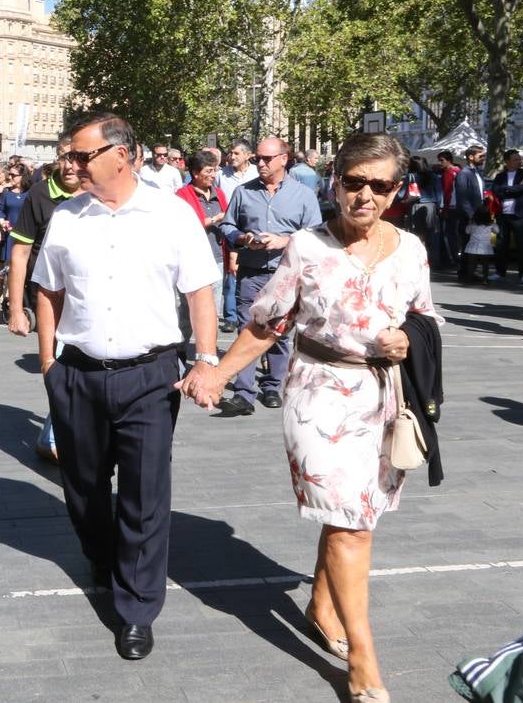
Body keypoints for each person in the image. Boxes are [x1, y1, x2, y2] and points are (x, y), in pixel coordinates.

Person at [180, 132, 441, 703]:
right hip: (318, 395)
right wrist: (217, 374)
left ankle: (323, 606)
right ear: (335, 183)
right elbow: (264, 324)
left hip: (383, 397)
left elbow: (425, 318)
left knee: (355, 515)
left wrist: (407, 339)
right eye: (354, 182)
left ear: (397, 190)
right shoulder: (307, 247)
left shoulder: (414, 250)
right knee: (350, 524)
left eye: (380, 185)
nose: (366, 195)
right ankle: (364, 657)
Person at [32, 111, 221, 661]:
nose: (72, 165)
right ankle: (101, 553)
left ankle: (137, 607)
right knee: (84, 489)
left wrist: (206, 360)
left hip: (151, 376)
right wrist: (49, 363)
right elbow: (48, 290)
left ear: (121, 154)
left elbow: (201, 292)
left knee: (144, 495)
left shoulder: (172, 214)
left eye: (82, 155)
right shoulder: (67, 218)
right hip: (79, 375)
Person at [219, 137, 322, 415]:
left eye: (266, 159)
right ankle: (243, 392)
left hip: (286, 273)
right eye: (257, 159)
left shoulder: (303, 195)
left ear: (284, 159)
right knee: (246, 328)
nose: (260, 164)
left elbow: (315, 235)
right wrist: (241, 237)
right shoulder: (243, 192)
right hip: (251, 271)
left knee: (280, 332)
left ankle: (272, 386)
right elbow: (227, 225)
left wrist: (284, 241)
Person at [7, 133, 83, 463]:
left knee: (82, 369)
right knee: (62, 366)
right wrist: (15, 308)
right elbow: (20, 253)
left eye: (76, 157)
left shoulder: (97, 191)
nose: (69, 165)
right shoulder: (39, 194)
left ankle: (55, 434)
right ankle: (53, 437)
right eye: (63, 157)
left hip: (90, 297)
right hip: (50, 298)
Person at [176, 150, 228, 358]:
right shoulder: (182, 196)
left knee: (212, 310)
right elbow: (188, 226)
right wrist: (216, 218)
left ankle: (208, 354)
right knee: (185, 312)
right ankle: (179, 351)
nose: (213, 175)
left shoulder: (219, 194)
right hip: (189, 261)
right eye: (209, 171)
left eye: (214, 170)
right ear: (195, 173)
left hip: (215, 257)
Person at [218, 140, 258, 331]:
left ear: (248, 155)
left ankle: (252, 313)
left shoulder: (257, 173)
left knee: (249, 272)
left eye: (236, 153)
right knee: (230, 272)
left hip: (252, 229)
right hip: (229, 228)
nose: (231, 157)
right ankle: (231, 315)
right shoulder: (221, 175)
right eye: (230, 153)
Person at [491, 149, 523, 284]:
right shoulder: (500, 176)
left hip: (519, 214)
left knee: (522, 244)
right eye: (515, 159)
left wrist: (506, 189)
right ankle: (500, 272)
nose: (518, 161)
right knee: (501, 244)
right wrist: (512, 189)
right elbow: (496, 191)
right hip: (503, 214)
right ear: (507, 161)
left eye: (519, 159)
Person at [452, 146, 487, 283]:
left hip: (479, 215)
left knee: (475, 244)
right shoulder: (464, 174)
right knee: (467, 244)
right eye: (480, 155)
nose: (483, 158)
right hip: (469, 216)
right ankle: (465, 273)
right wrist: (471, 215)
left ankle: (471, 272)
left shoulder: (478, 173)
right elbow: (462, 197)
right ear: (471, 157)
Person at [435, 151, 461, 268]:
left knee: (449, 235)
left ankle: (452, 258)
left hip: (450, 208)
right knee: (456, 234)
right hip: (458, 207)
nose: (440, 163)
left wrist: (444, 209)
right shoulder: (459, 171)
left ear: (449, 160)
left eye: (442, 160)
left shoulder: (449, 173)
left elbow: (447, 192)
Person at [462, 206, 498, 284]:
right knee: (485, 264)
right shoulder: (490, 224)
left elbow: (467, 231)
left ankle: (469, 279)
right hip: (485, 247)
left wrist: (469, 223)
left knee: (471, 263)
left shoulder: (472, 224)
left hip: (473, 246)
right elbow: (497, 231)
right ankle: (485, 279)